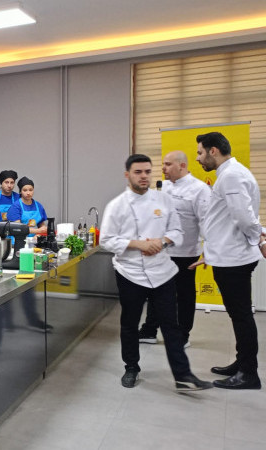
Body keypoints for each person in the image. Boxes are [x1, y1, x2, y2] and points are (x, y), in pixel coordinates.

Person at [100, 154, 211, 391]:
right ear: (127, 175)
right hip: (130, 273)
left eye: (147, 171)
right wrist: (138, 244)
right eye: (138, 172)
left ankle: (183, 375)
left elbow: (178, 231)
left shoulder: (164, 200)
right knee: (130, 323)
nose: (144, 176)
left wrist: (162, 242)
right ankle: (131, 367)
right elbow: (107, 240)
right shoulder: (117, 205)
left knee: (171, 324)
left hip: (162, 272)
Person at [191, 132, 262, 389]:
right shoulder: (230, 174)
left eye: (200, 153)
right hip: (228, 256)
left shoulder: (231, 175)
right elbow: (225, 219)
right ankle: (242, 363)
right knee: (238, 315)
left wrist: (259, 238)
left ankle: (249, 374)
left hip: (234, 259)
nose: (198, 158)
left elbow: (244, 217)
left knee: (241, 316)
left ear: (213, 151)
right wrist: (210, 253)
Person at [138, 151, 210, 348]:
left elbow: (206, 222)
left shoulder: (199, 189)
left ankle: (182, 334)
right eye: (163, 164)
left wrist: (209, 249)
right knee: (155, 291)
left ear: (182, 166)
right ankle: (149, 330)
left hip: (186, 253)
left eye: (168, 164)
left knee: (184, 295)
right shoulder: (163, 187)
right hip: (162, 250)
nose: (163, 168)